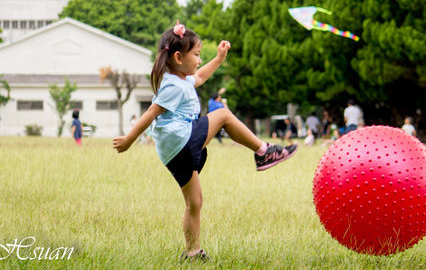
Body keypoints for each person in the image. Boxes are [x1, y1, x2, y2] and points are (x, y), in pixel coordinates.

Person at [113, 20, 298, 262]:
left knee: (194, 202)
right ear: (179, 58)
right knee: (222, 114)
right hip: (181, 139)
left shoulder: (182, 80)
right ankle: (264, 151)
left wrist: (219, 59)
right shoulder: (173, 86)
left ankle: (192, 253)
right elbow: (150, 113)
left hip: (173, 152)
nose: (199, 60)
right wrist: (128, 139)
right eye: (197, 55)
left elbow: (199, 76)